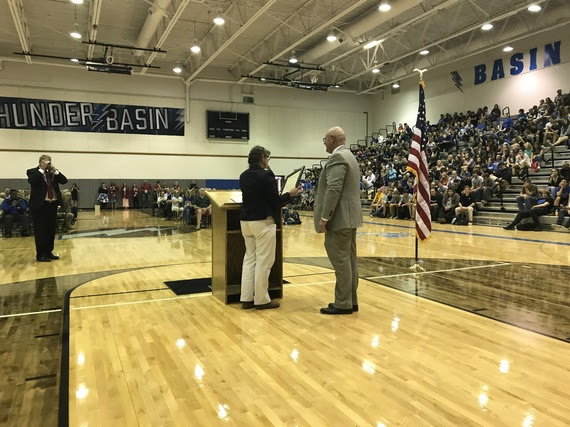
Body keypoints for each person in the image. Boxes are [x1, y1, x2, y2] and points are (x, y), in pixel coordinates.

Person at [239, 146, 302, 310]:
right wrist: (291, 194)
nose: (268, 161)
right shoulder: (266, 175)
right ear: (262, 158)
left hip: (245, 222)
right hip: (262, 222)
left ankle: (246, 298)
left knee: (249, 259)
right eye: (267, 157)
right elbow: (275, 201)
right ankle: (261, 299)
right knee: (264, 262)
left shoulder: (244, 176)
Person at [314, 127, 363, 315]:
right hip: (351, 217)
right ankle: (351, 300)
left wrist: (324, 217)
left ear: (333, 138)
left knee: (341, 261)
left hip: (339, 218)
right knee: (349, 260)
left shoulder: (337, 158)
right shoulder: (350, 156)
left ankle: (343, 302)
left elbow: (333, 189)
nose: (324, 142)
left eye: (325, 139)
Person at [27, 154, 68, 262]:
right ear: (41, 162)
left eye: (49, 161)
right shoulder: (32, 172)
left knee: (50, 229)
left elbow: (64, 181)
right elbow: (32, 181)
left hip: (52, 204)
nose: (48, 163)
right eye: (46, 161)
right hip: (40, 206)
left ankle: (49, 251)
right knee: (40, 230)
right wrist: (42, 170)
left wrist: (55, 171)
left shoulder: (53, 173)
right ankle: (40, 254)